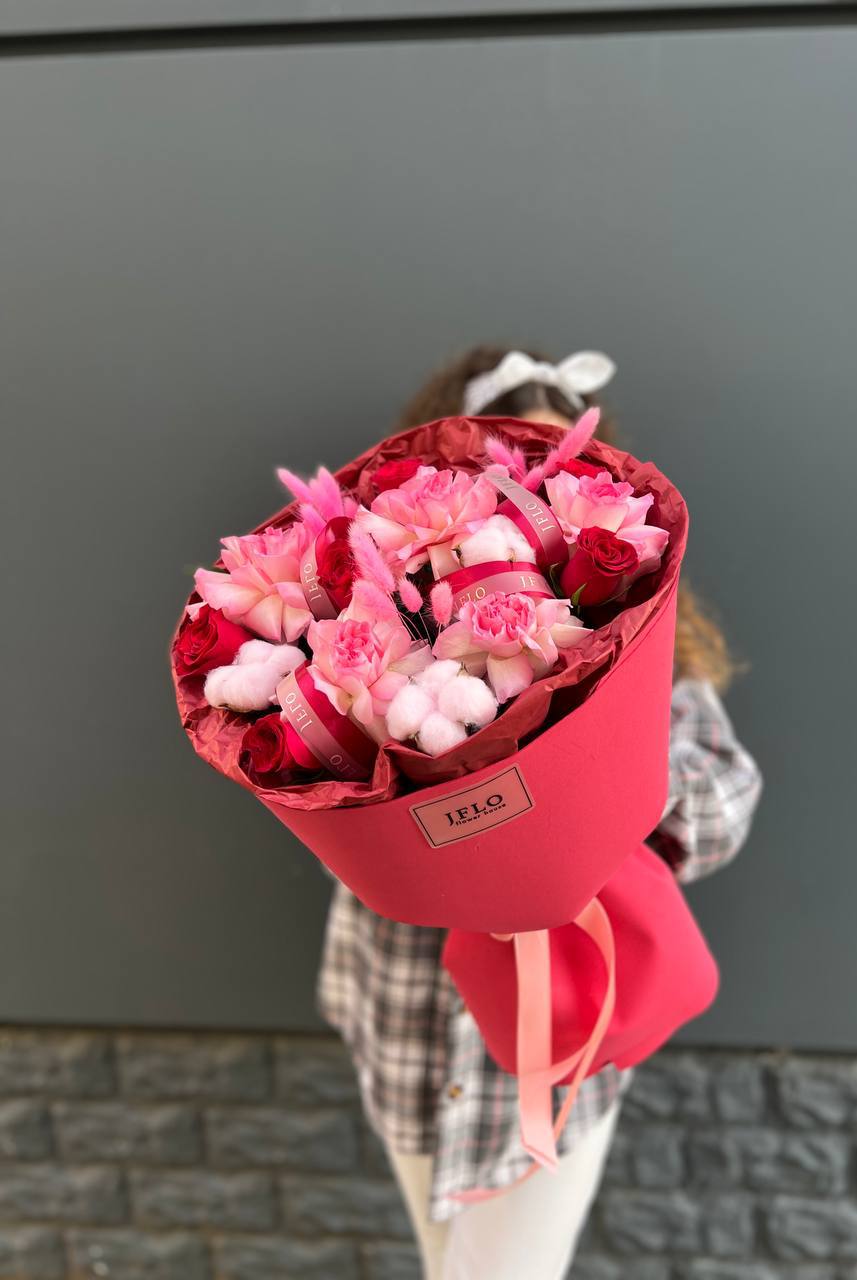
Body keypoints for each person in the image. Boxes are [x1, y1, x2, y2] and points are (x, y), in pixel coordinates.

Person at [317, 345, 764, 1280]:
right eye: (508, 471)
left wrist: (595, 787)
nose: (533, 498)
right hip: (402, 1031)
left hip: (560, 1049)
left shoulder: (636, 628)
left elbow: (726, 793)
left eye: (558, 471)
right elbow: (339, 822)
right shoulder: (381, 629)